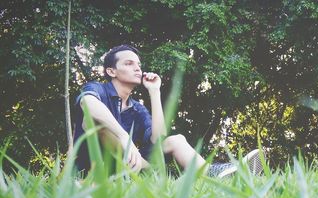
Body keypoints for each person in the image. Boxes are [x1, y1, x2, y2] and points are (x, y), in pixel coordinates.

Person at [73, 44, 263, 177]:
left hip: (130, 166)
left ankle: (213, 173)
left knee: (176, 140)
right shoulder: (98, 89)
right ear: (111, 71)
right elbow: (88, 104)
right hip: (92, 168)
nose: (138, 68)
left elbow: (158, 138)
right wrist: (124, 137)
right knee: (98, 124)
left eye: (138, 64)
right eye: (129, 64)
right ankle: (153, 173)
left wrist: (154, 92)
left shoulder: (136, 108)